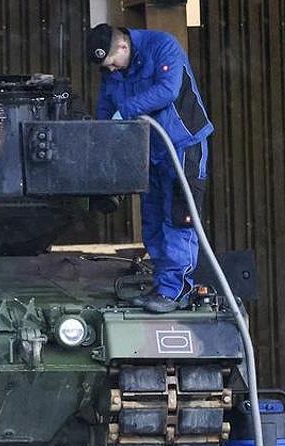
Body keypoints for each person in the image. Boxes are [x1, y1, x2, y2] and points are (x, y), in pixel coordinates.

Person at [87, 23, 213, 313]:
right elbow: (106, 106)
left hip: (183, 146)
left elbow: (167, 90)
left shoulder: (163, 45)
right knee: (153, 218)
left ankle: (176, 288)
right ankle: (162, 285)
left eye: (113, 63)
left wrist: (126, 111)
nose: (112, 71)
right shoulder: (112, 71)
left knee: (177, 218)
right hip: (150, 150)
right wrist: (100, 138)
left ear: (122, 47)